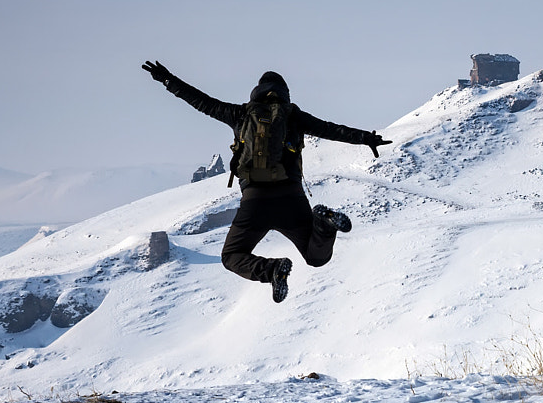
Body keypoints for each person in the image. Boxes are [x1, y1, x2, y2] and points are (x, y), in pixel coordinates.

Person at [142, 61, 390, 302]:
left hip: (255, 203)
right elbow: (330, 129)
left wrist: (167, 79)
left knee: (231, 256)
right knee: (317, 257)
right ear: (285, 93)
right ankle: (323, 224)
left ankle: (272, 270)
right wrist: (367, 138)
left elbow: (202, 102)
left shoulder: (240, 114)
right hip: (292, 200)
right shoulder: (293, 116)